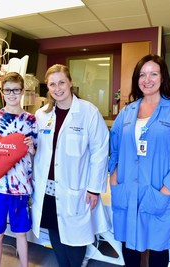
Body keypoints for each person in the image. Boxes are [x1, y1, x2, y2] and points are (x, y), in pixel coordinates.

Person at [108, 54, 170, 267]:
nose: (147, 79)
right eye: (142, 74)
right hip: (127, 190)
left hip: (158, 190)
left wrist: (167, 189)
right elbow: (114, 147)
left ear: (162, 77)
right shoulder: (127, 112)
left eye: (153, 74)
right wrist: (114, 176)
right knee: (129, 247)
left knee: (158, 247)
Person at [31, 64, 111, 267]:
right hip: (48, 187)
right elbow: (37, 148)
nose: (57, 88)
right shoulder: (42, 115)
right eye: (52, 84)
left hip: (76, 187)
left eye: (61, 82)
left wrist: (94, 188)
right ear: (47, 88)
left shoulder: (88, 112)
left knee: (76, 237)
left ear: (70, 83)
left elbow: (100, 152)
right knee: (55, 229)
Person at [0, 72, 37, 267]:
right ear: (2, 92)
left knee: (21, 232)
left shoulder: (30, 120)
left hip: (20, 187)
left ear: (22, 91)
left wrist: (31, 149)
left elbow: (36, 154)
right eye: (7, 90)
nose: (11, 94)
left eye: (15, 90)